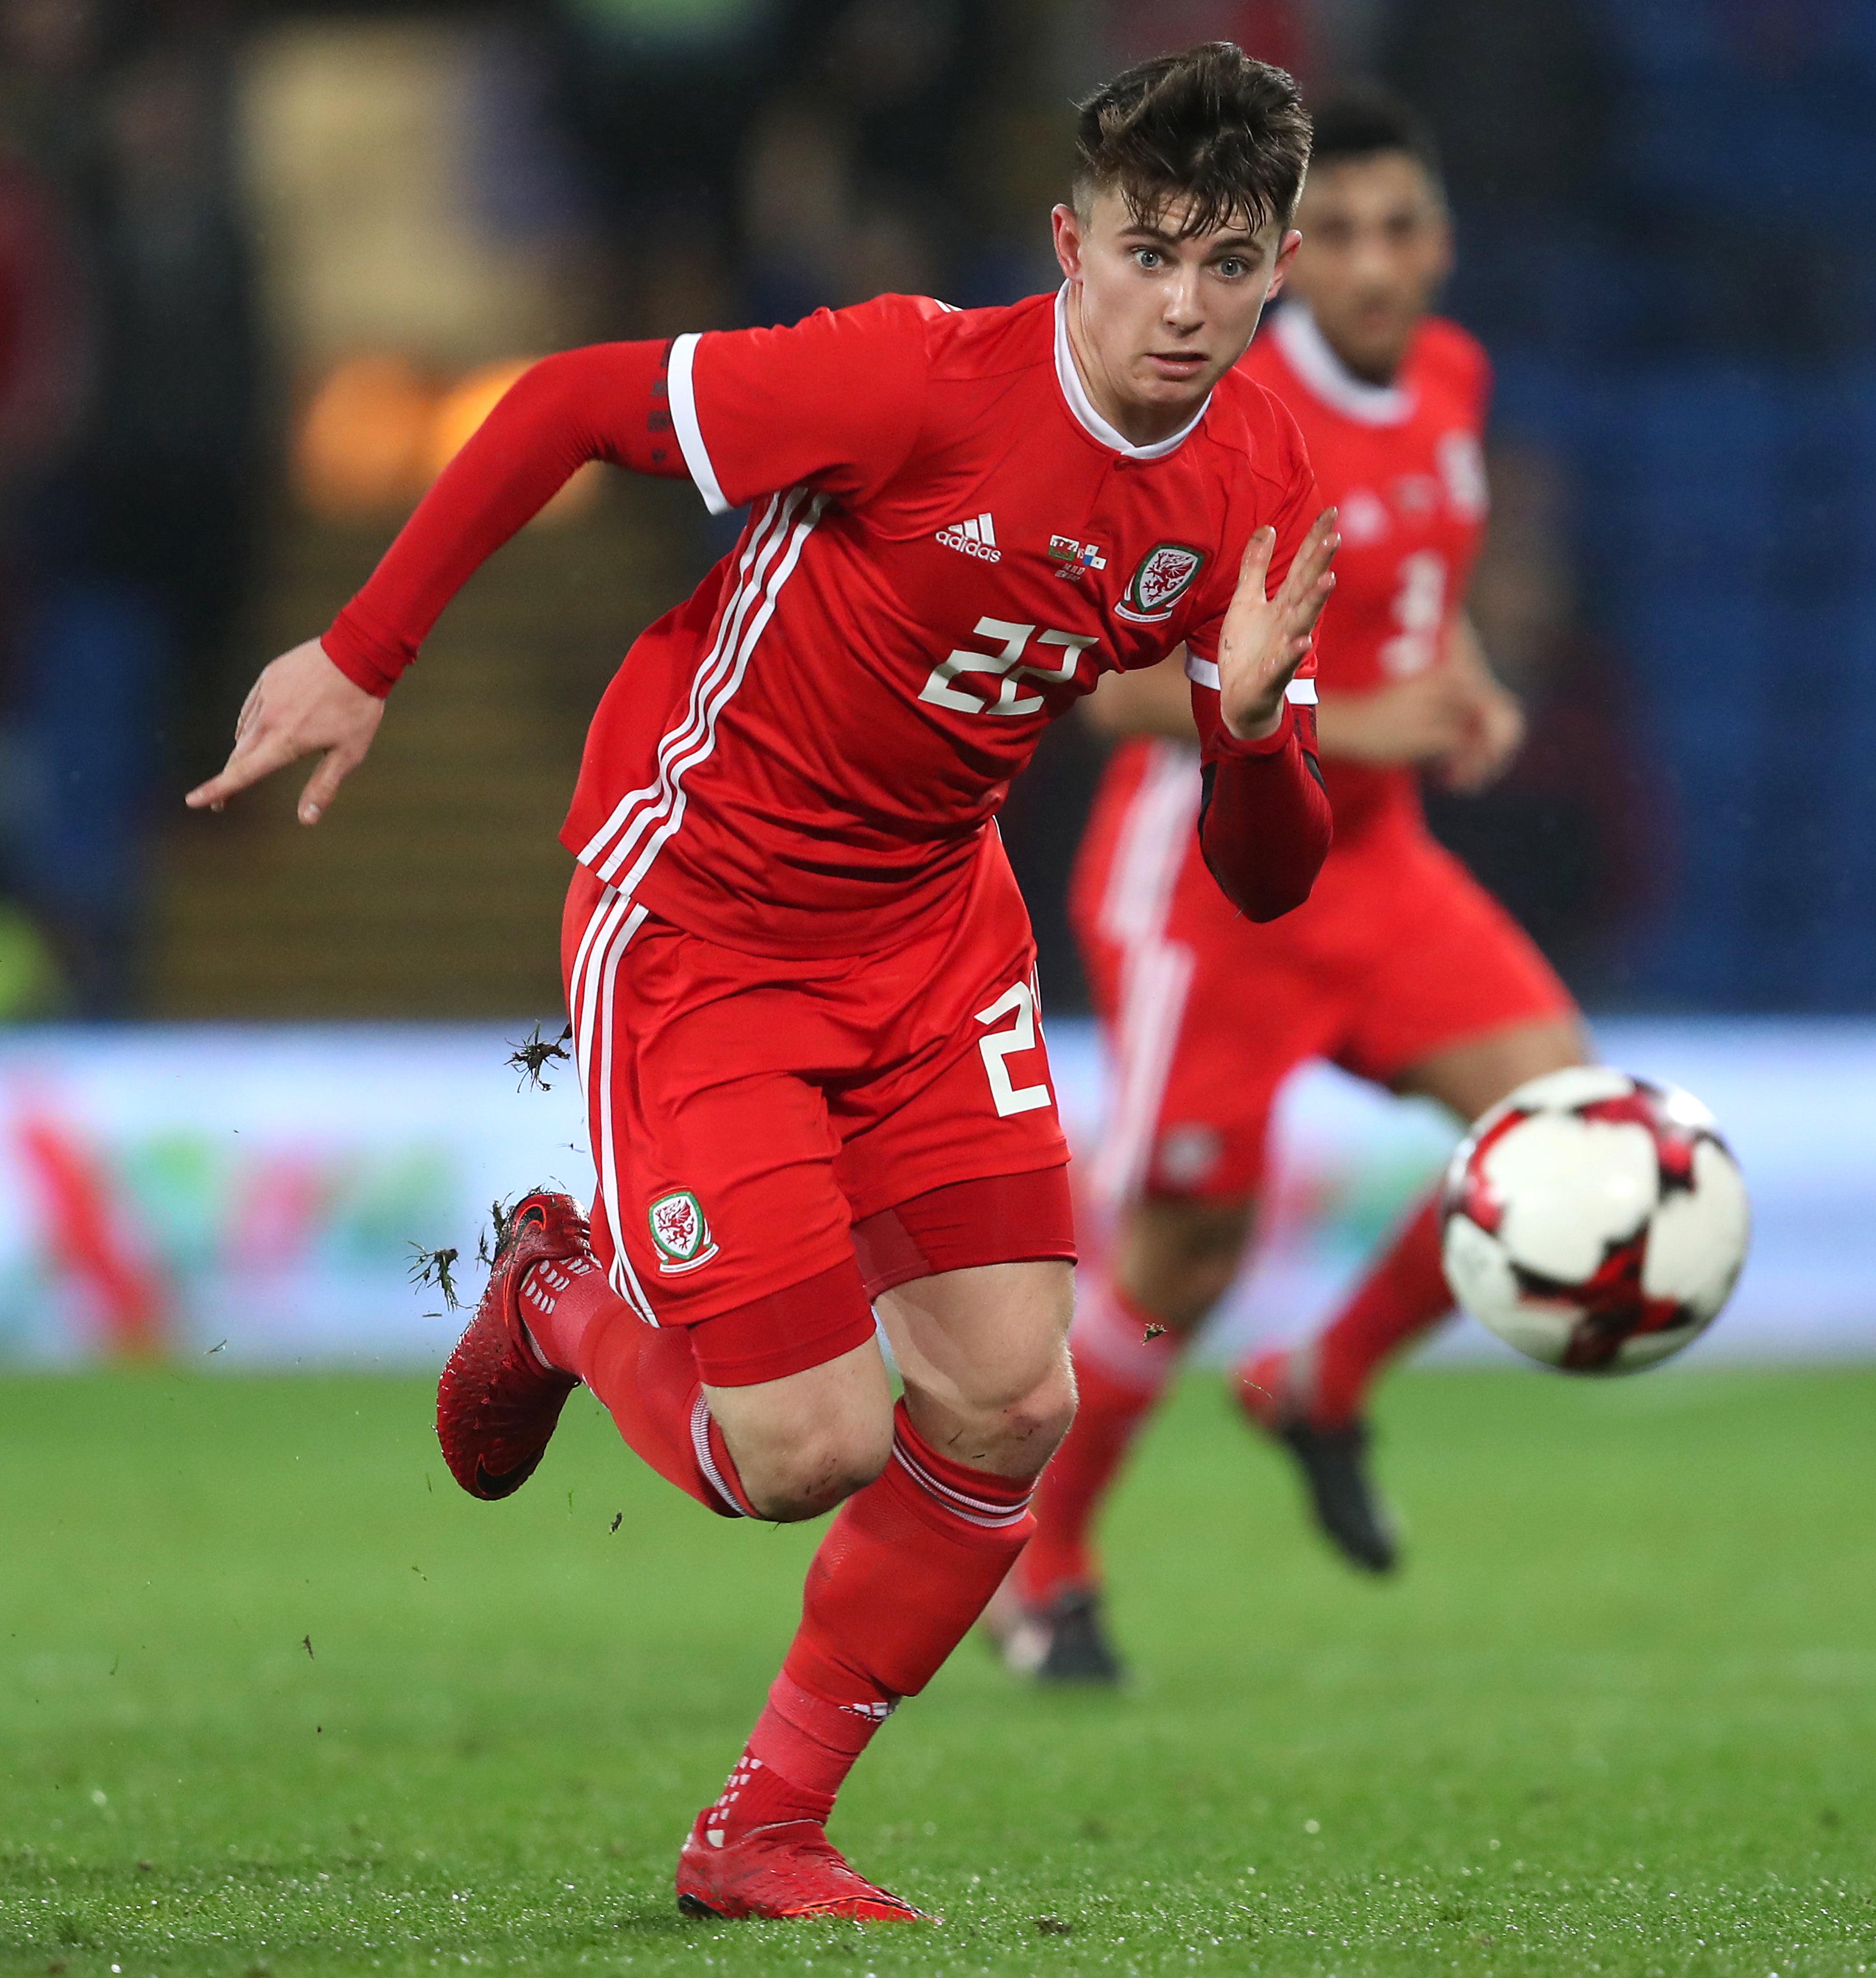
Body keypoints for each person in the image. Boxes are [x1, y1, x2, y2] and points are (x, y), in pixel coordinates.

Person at [184, 42, 1340, 1924]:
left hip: (934, 935)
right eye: (1150, 255)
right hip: (710, 920)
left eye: (1228, 267)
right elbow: (565, 402)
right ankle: (559, 1289)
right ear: (1069, 243)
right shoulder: (911, 377)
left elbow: (1267, 880)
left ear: (1273, 274)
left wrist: (1254, 719)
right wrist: (362, 649)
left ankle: (760, 1833)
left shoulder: (1263, 476)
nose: (1185, 307)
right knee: (805, 1449)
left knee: (1007, 1404)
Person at [992, 89, 1593, 1686]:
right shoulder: (1224, 422)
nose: (1377, 267)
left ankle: (1320, 1382)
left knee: (1574, 1148)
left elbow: (1414, 595)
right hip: (1213, 880)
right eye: (1338, 235)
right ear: (1281, 256)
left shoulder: (1453, 383)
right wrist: (1348, 716)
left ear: (1442, 242)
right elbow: (1100, 685)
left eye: (1404, 230)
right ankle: (1040, 1566)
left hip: (1380, 863)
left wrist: (1459, 684)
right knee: (1184, 1250)